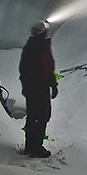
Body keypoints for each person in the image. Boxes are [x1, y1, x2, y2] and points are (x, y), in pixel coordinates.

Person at [19, 20, 58, 157]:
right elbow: (47, 69)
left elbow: (23, 69)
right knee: (42, 116)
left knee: (33, 116)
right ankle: (36, 147)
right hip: (40, 89)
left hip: (30, 88)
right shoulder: (42, 47)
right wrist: (53, 85)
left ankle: (30, 146)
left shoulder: (29, 46)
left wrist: (26, 85)